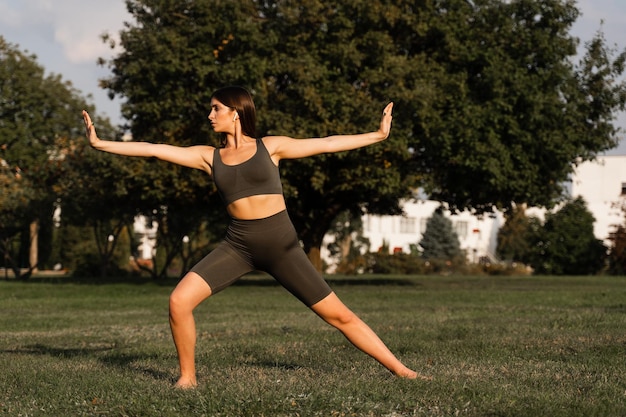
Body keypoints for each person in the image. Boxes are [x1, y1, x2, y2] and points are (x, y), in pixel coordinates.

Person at [82, 86, 424, 388]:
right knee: (178, 301)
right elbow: (155, 149)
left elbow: (328, 144)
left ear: (236, 112)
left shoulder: (270, 147)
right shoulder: (209, 157)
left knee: (339, 316)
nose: (209, 114)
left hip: (282, 247)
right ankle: (187, 378)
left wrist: (377, 135)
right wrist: (100, 143)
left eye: (216, 108)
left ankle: (402, 370)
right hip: (238, 246)